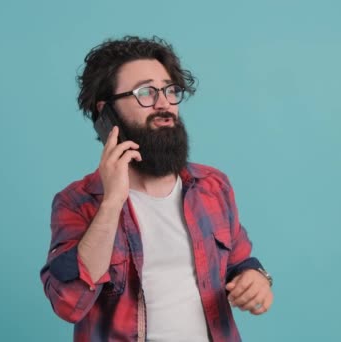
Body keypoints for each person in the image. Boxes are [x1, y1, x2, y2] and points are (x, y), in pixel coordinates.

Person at [40, 36, 274, 342]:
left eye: (169, 90)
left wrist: (256, 279)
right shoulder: (77, 202)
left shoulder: (212, 186)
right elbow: (69, 303)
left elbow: (240, 262)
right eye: (146, 92)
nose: (164, 103)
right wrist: (112, 203)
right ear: (107, 112)